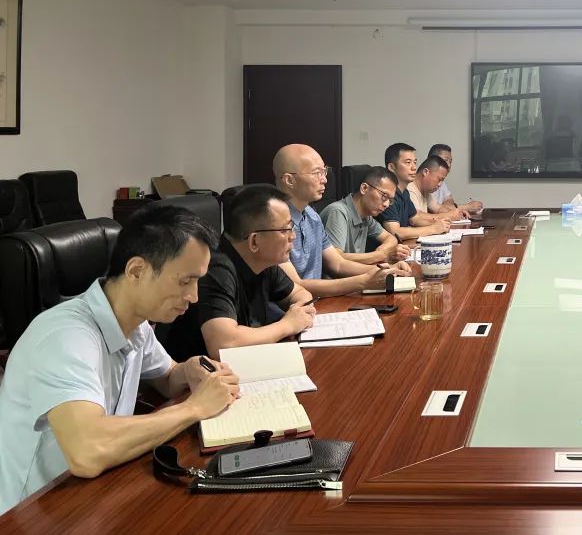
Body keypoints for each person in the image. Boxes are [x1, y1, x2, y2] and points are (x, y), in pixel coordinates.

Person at [0, 205, 240, 514]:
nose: (194, 296)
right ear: (136, 271)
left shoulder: (136, 322)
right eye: (185, 281)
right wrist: (195, 407)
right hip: (33, 510)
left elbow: (167, 378)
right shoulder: (65, 337)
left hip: (95, 492)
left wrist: (188, 371)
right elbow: (88, 451)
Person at [155, 186, 317, 361]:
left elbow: (300, 293)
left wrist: (298, 312)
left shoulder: (264, 261)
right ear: (254, 241)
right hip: (194, 374)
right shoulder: (215, 268)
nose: (292, 236)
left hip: (242, 365)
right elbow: (223, 345)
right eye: (285, 230)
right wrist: (287, 325)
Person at [273, 144, 412, 305]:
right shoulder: (273, 224)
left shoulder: (312, 216)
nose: (324, 179)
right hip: (291, 312)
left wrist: (387, 270)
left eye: (324, 171)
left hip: (316, 304)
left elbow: (338, 264)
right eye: (316, 173)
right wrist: (364, 281)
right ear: (289, 180)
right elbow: (296, 286)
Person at [321, 166, 415, 259]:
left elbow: (391, 238)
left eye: (390, 200)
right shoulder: (337, 212)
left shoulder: (366, 217)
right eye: (384, 196)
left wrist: (381, 252)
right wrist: (382, 255)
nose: (386, 204)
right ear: (364, 188)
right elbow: (336, 259)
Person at [377, 143, 452, 241]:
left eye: (415, 162)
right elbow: (395, 232)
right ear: (391, 167)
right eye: (408, 162)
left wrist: (438, 224)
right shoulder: (387, 194)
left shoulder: (404, 192)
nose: (414, 168)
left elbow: (415, 218)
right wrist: (433, 229)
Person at [427, 144, 483, 214]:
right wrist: (467, 207)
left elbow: (449, 200)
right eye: (445, 160)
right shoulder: (425, 182)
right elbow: (431, 212)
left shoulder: (442, 181)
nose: (449, 165)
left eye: (450, 162)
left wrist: (448, 208)